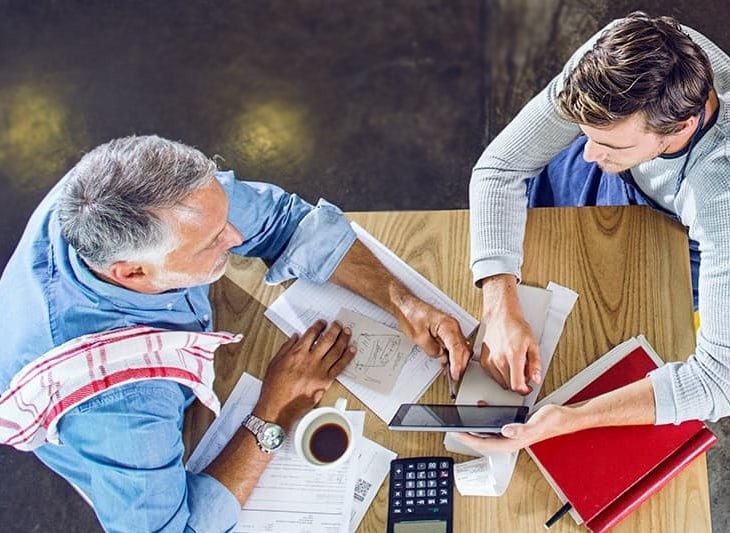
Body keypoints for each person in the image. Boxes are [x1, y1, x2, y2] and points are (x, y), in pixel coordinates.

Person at [0, 135, 471, 531]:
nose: (238, 239)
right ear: (133, 274)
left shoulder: (122, 190)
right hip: (114, 428)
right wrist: (274, 410)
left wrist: (403, 301)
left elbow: (286, 222)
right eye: (212, 242)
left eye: (224, 219)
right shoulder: (121, 410)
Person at [461, 12, 730, 452]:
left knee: (611, 332)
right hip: (634, 178)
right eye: (586, 134)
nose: (588, 154)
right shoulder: (619, 58)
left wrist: (572, 418)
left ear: (681, 127)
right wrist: (499, 302)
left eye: (610, 143)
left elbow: (725, 382)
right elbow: (501, 167)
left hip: (688, 233)